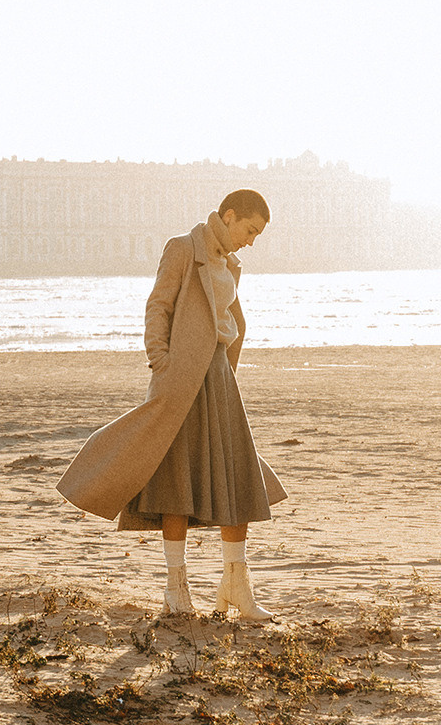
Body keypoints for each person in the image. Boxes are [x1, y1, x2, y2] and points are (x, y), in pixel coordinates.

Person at [56, 188, 285, 619]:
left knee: (236, 477)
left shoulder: (229, 263)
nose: (251, 241)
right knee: (176, 482)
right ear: (230, 215)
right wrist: (160, 362)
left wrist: (224, 365)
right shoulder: (184, 249)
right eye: (250, 230)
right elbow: (158, 305)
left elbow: (229, 319)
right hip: (180, 380)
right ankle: (175, 588)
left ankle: (237, 584)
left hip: (218, 377)